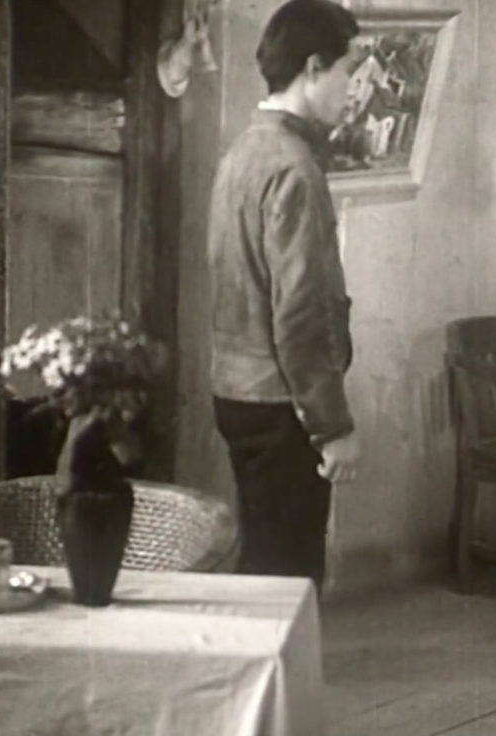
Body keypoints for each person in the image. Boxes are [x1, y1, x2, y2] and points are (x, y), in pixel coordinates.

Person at [206, 0, 361, 594]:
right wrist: (333, 427)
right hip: (282, 406)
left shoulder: (244, 151)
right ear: (315, 67)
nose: (353, 88)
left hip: (237, 392)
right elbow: (303, 315)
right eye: (348, 71)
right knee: (289, 587)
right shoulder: (294, 168)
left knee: (263, 572)